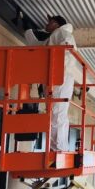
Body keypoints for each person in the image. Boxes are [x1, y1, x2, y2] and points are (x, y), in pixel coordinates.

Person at [15, 14, 77, 151]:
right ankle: (59, 147)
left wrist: (52, 74)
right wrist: (28, 30)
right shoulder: (54, 36)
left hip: (60, 77)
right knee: (58, 114)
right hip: (59, 78)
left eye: (48, 23)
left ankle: (58, 149)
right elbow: (38, 46)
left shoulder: (62, 33)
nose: (46, 26)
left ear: (55, 23)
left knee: (57, 114)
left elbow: (65, 52)